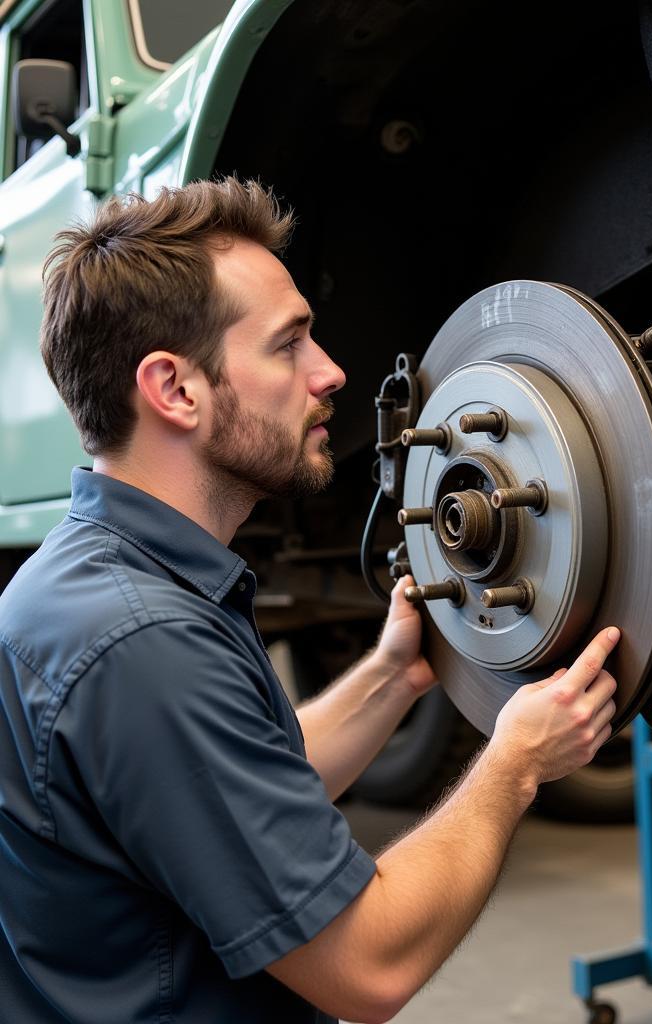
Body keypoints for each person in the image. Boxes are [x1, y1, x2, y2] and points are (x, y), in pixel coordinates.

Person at [0, 178, 620, 1023]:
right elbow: (368, 965)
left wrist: (392, 677)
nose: (330, 372)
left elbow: (241, 789)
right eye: (287, 345)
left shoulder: (92, 578)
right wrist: (514, 764)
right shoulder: (142, 642)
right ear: (174, 388)